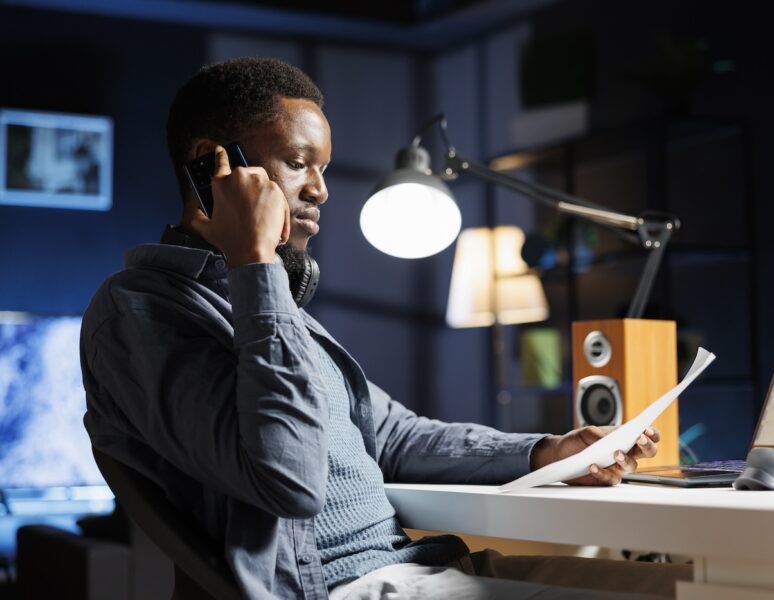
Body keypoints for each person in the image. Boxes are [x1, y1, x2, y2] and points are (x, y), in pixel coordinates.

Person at [80, 57, 690, 599]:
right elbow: (287, 480)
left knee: (694, 589)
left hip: (424, 568)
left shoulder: (271, 307)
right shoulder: (139, 312)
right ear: (215, 167)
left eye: (323, 168)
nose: (320, 189)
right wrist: (257, 260)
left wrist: (546, 451)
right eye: (298, 164)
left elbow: (393, 435)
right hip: (345, 588)